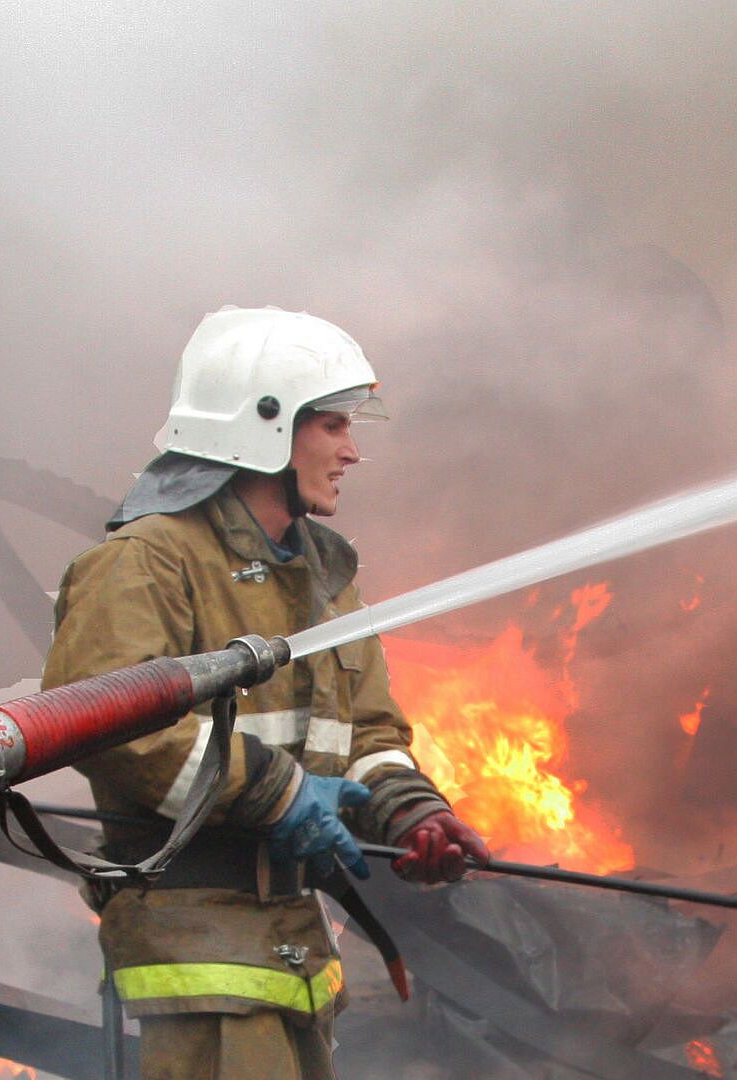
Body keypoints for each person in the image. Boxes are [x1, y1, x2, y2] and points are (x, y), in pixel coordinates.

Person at [42, 307, 491, 1079]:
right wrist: (278, 792)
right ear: (266, 426)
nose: (352, 450)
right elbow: (111, 730)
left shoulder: (323, 578)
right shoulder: (148, 562)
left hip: (294, 949)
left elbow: (370, 734)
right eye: (332, 425)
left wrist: (413, 812)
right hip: (194, 955)